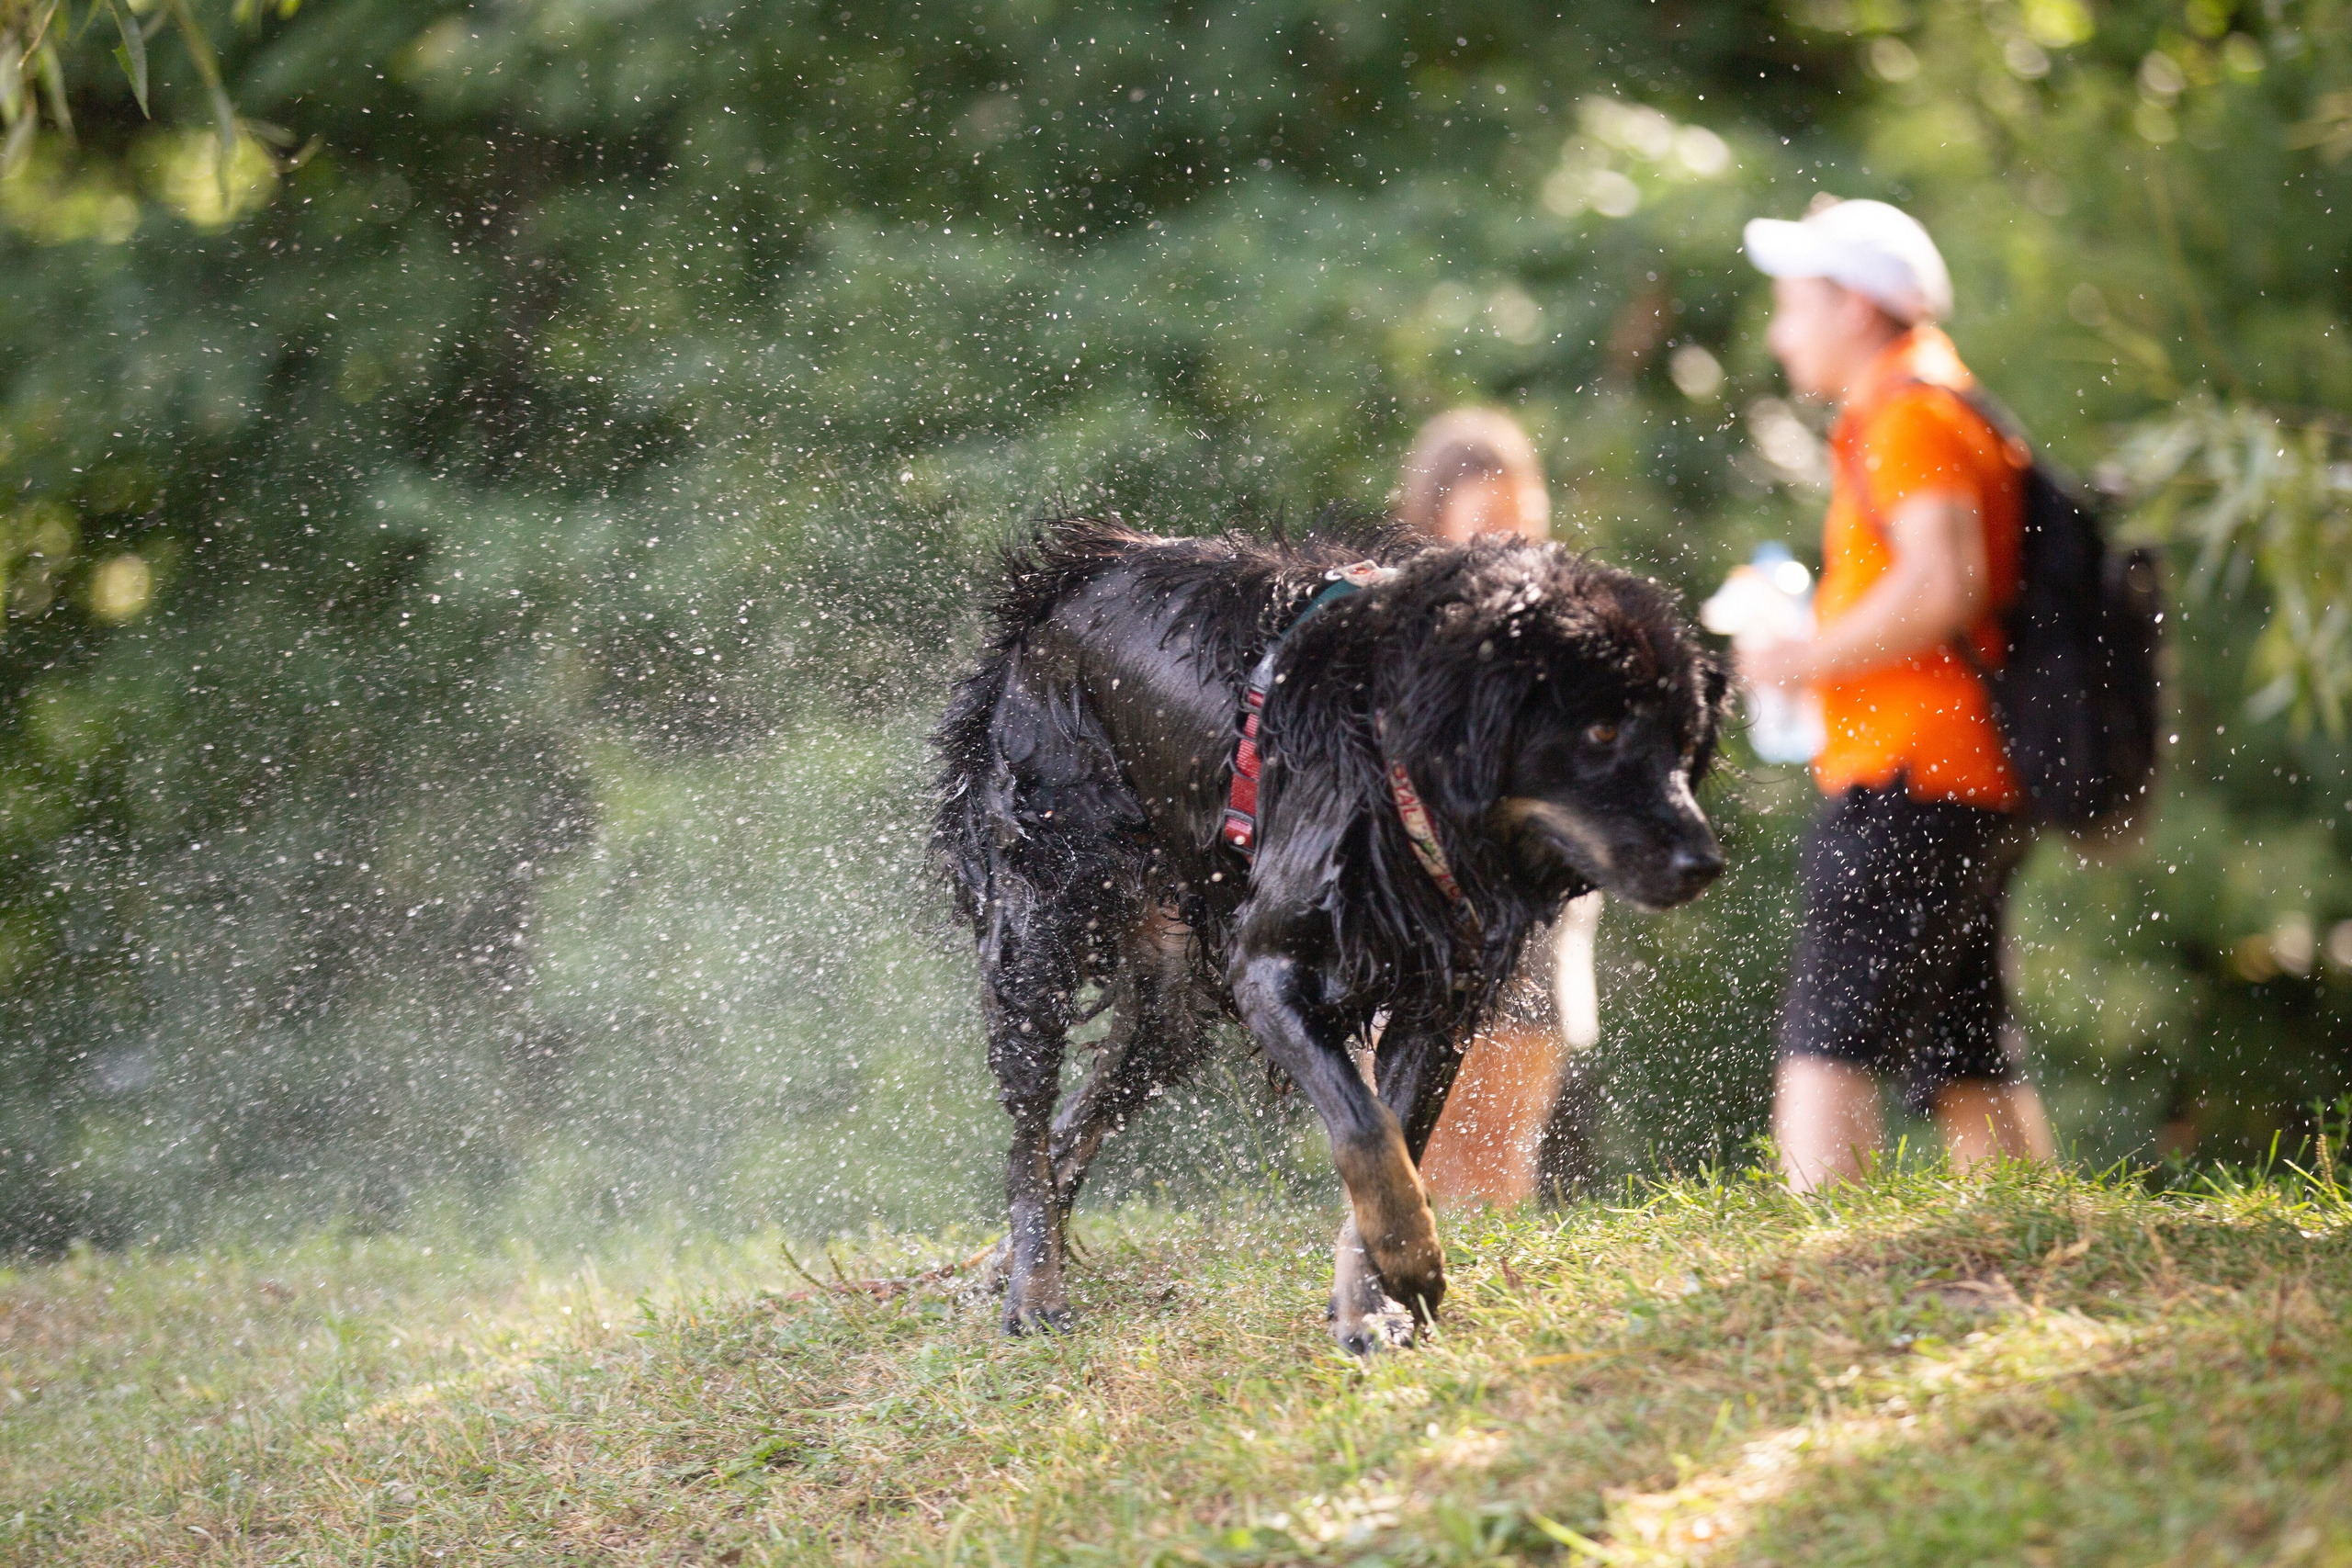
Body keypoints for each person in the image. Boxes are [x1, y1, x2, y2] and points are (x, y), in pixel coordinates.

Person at [1737, 197, 2056, 1193]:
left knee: (1824, 1039)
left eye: (1792, 305)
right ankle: (2032, 1235)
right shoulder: (1930, 402)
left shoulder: (1911, 414)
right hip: (1965, 768)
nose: (1776, 332)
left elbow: (1942, 581)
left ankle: (1814, 1265)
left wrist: (1805, 657)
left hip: (1914, 771)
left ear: (1853, 307)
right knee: (1965, 1048)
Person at [1391, 408, 1606, 1207]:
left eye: (1525, 518)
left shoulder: (1572, 621)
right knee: (1410, 1149)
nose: (1513, 540)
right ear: (1431, 519)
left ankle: (1487, 1309)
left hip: (1538, 916)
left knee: (1503, 1147)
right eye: (1489, 522)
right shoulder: (1401, 620)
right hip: (1421, 914)